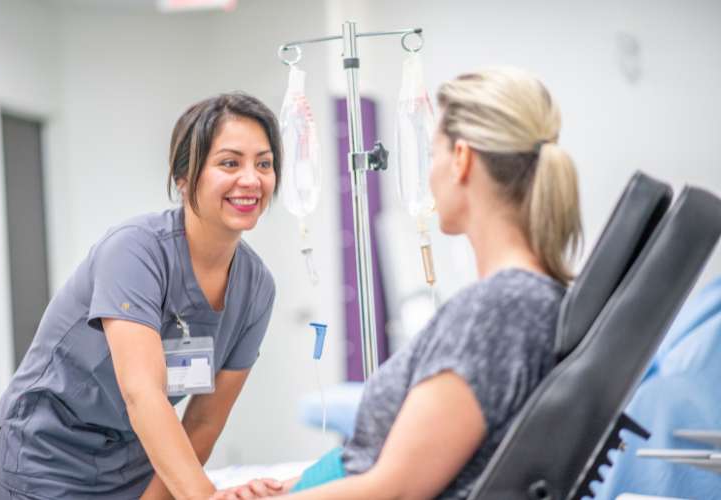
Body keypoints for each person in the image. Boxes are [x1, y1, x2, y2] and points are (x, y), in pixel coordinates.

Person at [213, 66, 583, 500]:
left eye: (432, 154)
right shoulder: (519, 298)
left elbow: (396, 490)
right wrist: (280, 490)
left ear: (461, 159)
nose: (428, 174)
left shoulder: (500, 307)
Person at [0, 93, 286, 500]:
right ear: (183, 177)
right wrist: (204, 497)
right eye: (230, 163)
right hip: (44, 455)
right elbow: (142, 392)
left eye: (263, 164)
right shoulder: (135, 251)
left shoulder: (256, 287)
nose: (251, 179)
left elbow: (204, 423)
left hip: (131, 459)